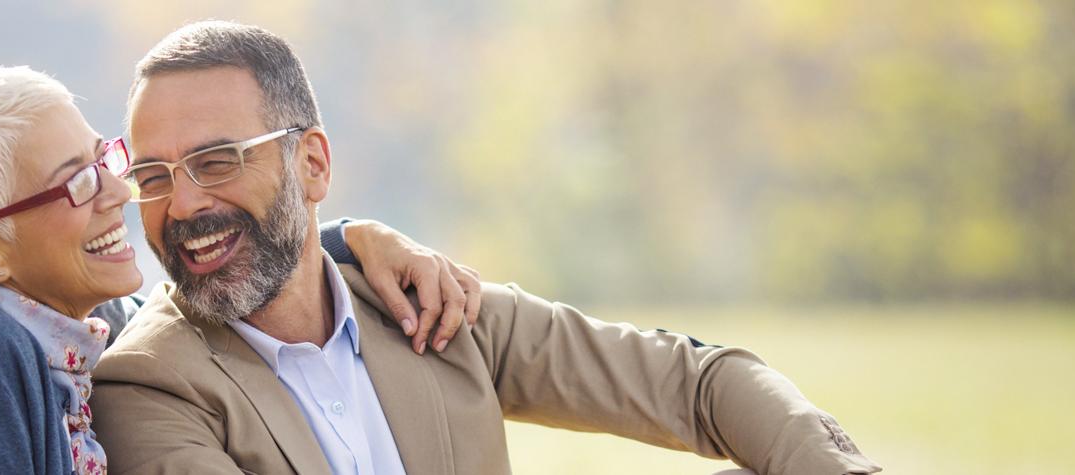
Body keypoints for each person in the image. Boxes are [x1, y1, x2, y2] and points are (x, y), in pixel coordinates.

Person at [90, 21, 884, 475]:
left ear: (314, 164)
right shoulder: (146, 385)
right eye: (154, 176)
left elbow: (695, 383)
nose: (184, 204)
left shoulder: (430, 307)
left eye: (218, 160)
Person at [0, 66, 482, 475]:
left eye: (105, 161)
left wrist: (351, 241)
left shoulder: (94, 328)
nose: (121, 193)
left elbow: (227, 290)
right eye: (78, 184)